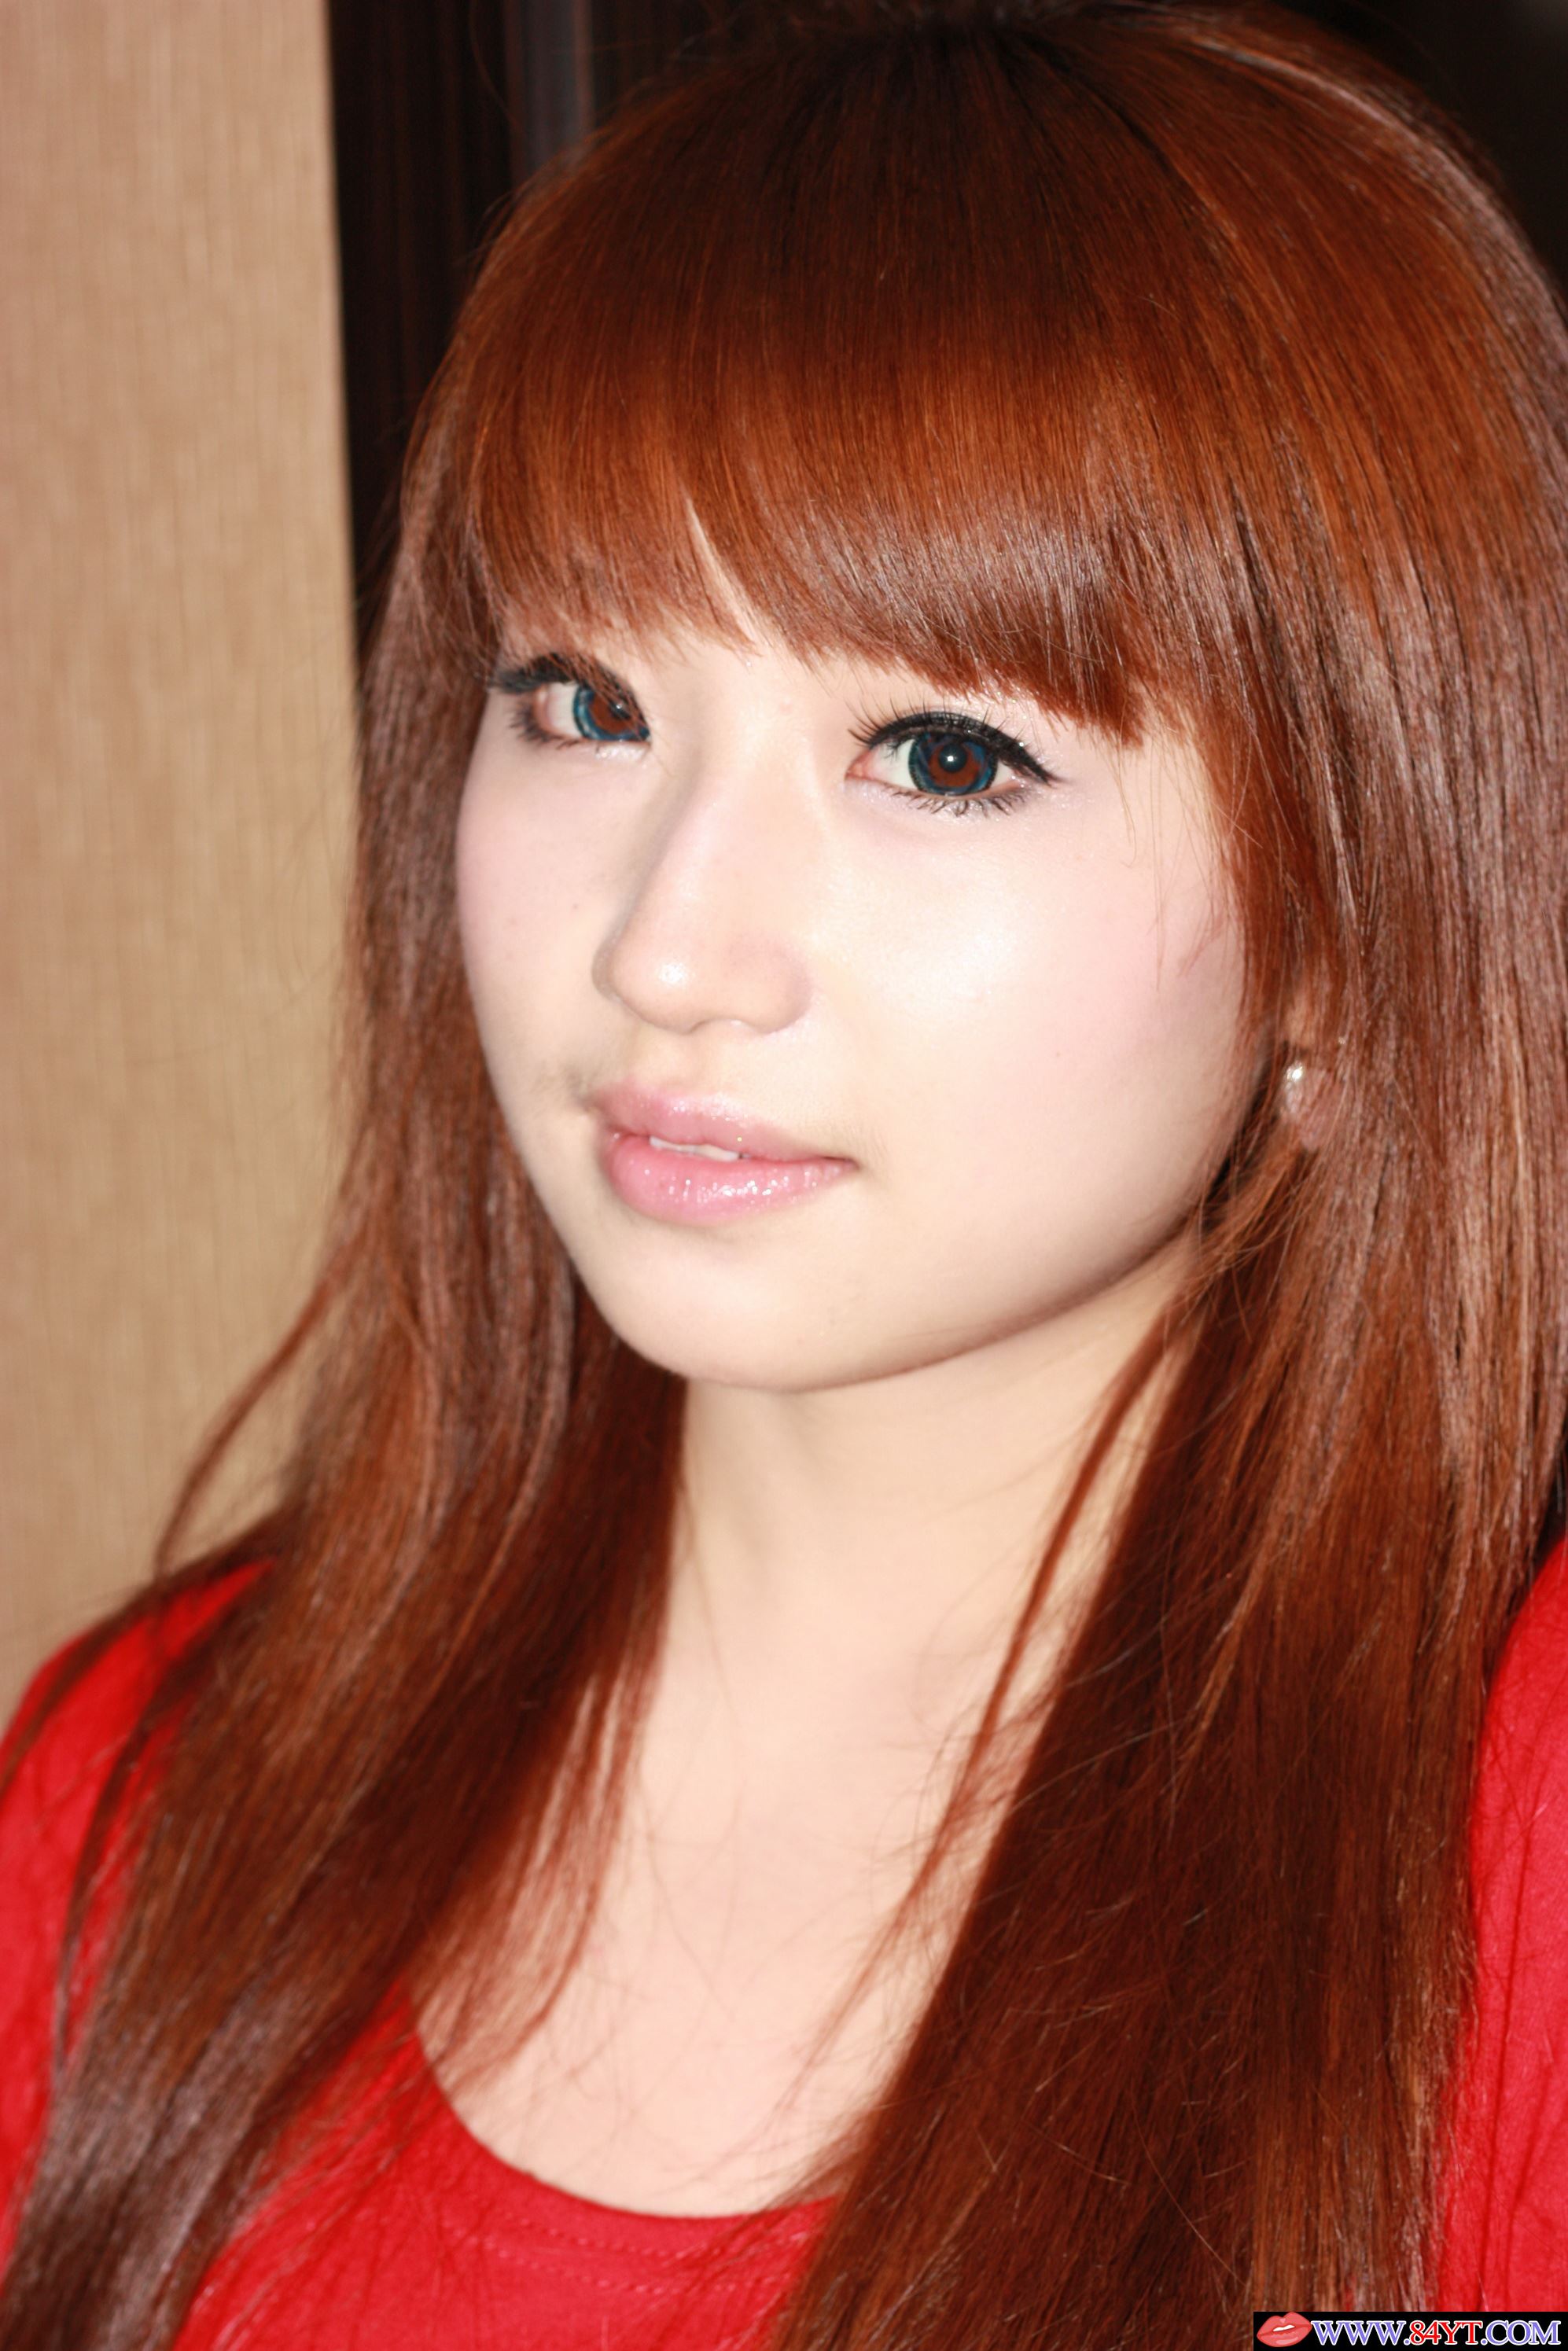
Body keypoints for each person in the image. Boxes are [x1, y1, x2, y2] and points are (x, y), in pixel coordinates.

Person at [3, 1, 1567, 2343]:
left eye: (939, 755)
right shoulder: (151, 1794)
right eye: (587, 706)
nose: (665, 949)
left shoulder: (1510, 1870)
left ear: (1351, 934)